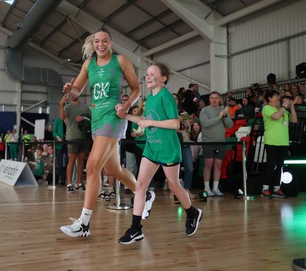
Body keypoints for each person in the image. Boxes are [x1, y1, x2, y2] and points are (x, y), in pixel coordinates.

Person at [59, 28, 154, 238]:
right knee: (114, 170)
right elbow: (77, 90)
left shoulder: (120, 60)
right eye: (97, 41)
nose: (100, 45)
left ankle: (84, 223)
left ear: (110, 42)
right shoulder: (88, 64)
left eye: (104, 41)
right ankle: (145, 194)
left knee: (93, 166)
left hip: (114, 117)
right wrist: (69, 90)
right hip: (97, 119)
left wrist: (127, 104)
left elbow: (136, 89)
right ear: (93, 44)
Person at [117, 63, 202, 245]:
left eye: (152, 74)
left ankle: (192, 213)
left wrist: (150, 123)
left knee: (174, 186)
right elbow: (145, 120)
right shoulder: (150, 99)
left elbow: (175, 124)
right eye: (146, 74)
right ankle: (135, 229)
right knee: (140, 186)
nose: (147, 77)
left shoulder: (166, 97)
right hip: (152, 148)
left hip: (168, 149)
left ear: (163, 78)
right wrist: (126, 116)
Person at [261, 90, 297, 199]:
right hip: (272, 141)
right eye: (276, 96)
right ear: (269, 98)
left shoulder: (282, 110)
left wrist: (292, 106)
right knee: (271, 165)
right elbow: (276, 117)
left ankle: (277, 188)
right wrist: (284, 107)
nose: (278, 98)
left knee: (280, 166)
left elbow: (294, 120)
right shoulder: (267, 108)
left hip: (283, 141)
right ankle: (265, 188)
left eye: (278, 96)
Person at [199, 91, 233, 196]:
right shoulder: (204, 110)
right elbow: (205, 123)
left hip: (220, 142)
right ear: (209, 100)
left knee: (218, 165)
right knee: (208, 164)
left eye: (216, 98)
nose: (214, 100)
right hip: (208, 141)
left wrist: (225, 115)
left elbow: (230, 125)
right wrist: (219, 117)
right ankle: (207, 188)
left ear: (219, 99)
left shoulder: (223, 111)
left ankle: (215, 188)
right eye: (212, 98)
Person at [59, 94, 91, 192]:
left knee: (81, 159)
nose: (73, 95)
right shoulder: (68, 107)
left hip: (84, 136)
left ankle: (79, 183)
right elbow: (61, 117)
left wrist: (84, 118)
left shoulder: (86, 107)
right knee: (71, 160)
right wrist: (61, 103)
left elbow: (91, 118)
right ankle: (69, 183)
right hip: (72, 137)